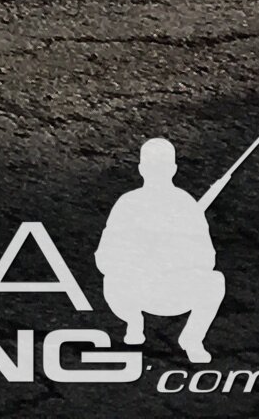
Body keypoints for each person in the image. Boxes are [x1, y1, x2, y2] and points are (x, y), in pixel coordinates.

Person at [98, 137, 229, 364]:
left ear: (172, 170)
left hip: (174, 290)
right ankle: (133, 321)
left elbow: (208, 259)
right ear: (142, 169)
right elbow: (105, 256)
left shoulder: (186, 205)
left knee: (215, 281)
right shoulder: (128, 203)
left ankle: (192, 339)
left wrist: (176, 255)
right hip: (135, 290)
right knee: (111, 279)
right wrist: (138, 258)